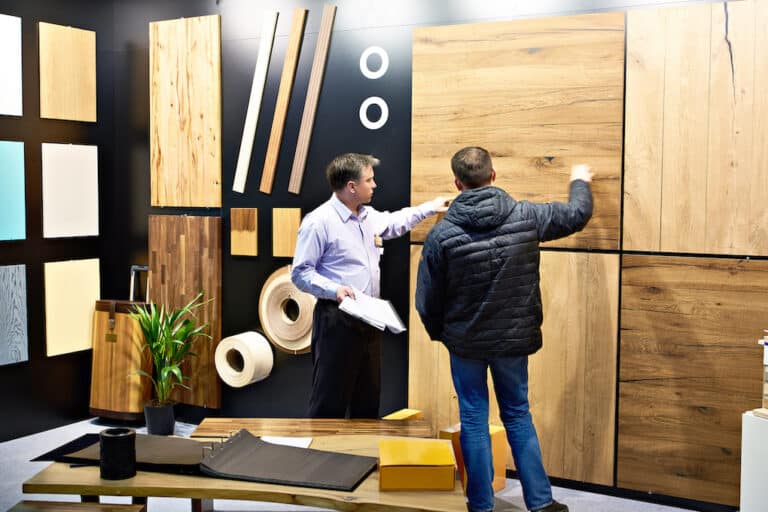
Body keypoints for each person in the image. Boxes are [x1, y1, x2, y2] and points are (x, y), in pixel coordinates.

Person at [415, 146, 593, 512]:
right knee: (517, 413)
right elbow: (577, 215)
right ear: (493, 176)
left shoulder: (441, 235)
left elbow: (426, 300)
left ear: (457, 183)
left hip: (465, 344)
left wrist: (443, 334)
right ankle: (541, 502)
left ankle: (480, 506)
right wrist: (579, 180)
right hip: (513, 341)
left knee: (474, 419)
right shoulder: (526, 216)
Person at [292, 153, 448, 419]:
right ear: (352, 186)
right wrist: (334, 290)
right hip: (337, 321)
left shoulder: (368, 216)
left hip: (370, 319)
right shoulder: (319, 223)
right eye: (369, 180)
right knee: (329, 401)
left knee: (368, 399)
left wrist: (431, 206)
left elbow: (397, 221)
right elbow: (300, 273)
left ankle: (361, 458)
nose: (374, 185)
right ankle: (321, 457)